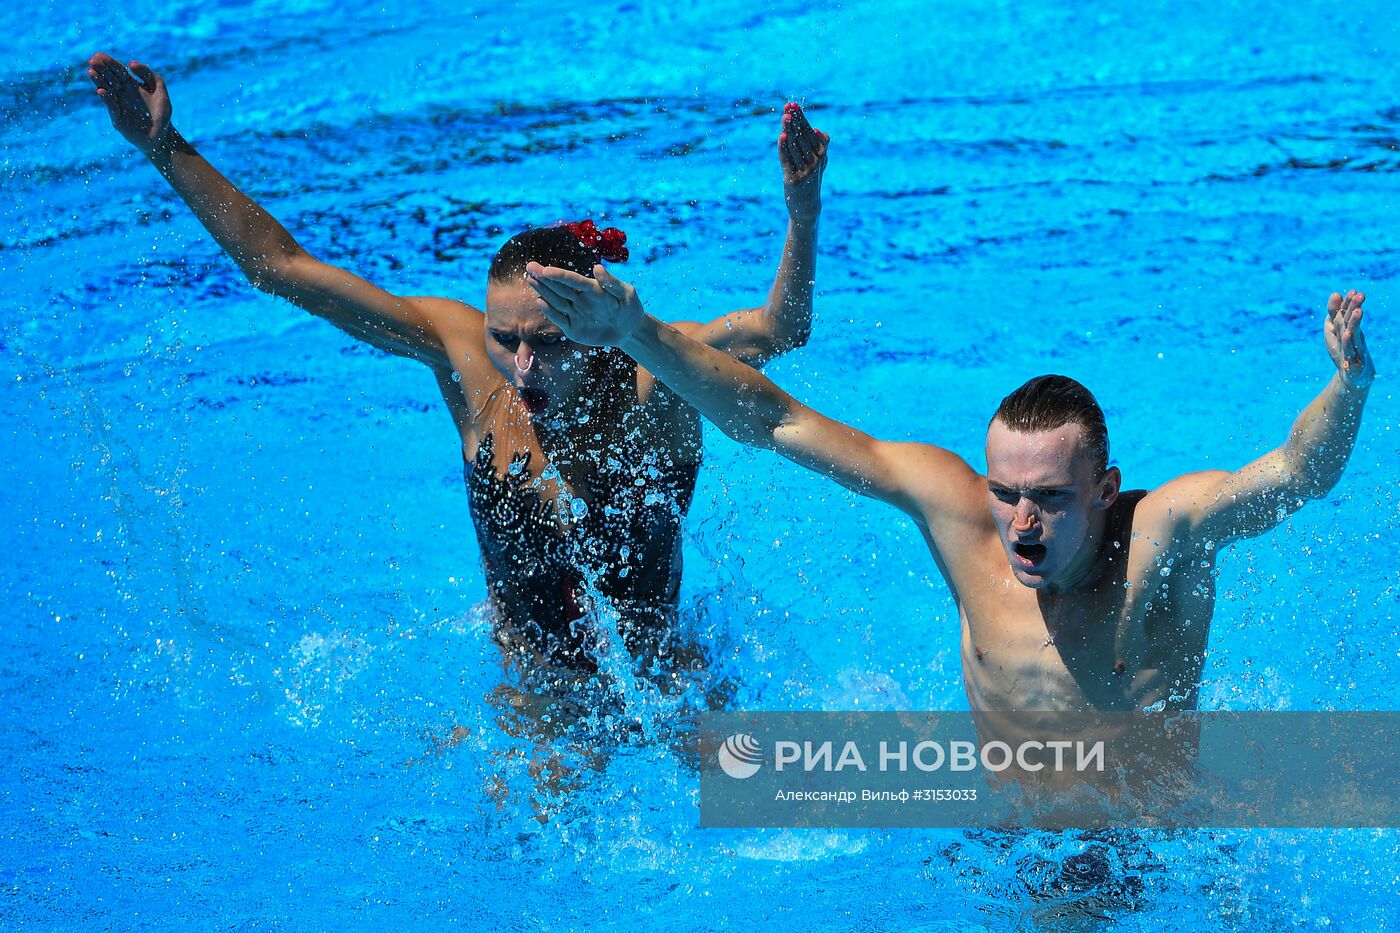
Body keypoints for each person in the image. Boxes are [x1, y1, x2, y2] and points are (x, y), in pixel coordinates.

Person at [84, 53, 830, 691]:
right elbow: (282, 269)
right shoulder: (470, 362)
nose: (523, 365)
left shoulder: (656, 376)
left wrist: (802, 213)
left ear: (597, 328)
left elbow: (779, 329)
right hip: (535, 701)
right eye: (505, 337)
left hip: (664, 680)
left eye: (552, 341)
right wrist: (164, 147)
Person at [525, 263, 1376, 725]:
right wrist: (638, 333)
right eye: (1006, 491)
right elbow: (773, 419)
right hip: (1000, 845)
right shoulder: (960, 514)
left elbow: (1299, 473)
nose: (1022, 520)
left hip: (1148, 853)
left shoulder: (1166, 531)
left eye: (1050, 495)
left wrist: (1349, 387)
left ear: (1105, 488)